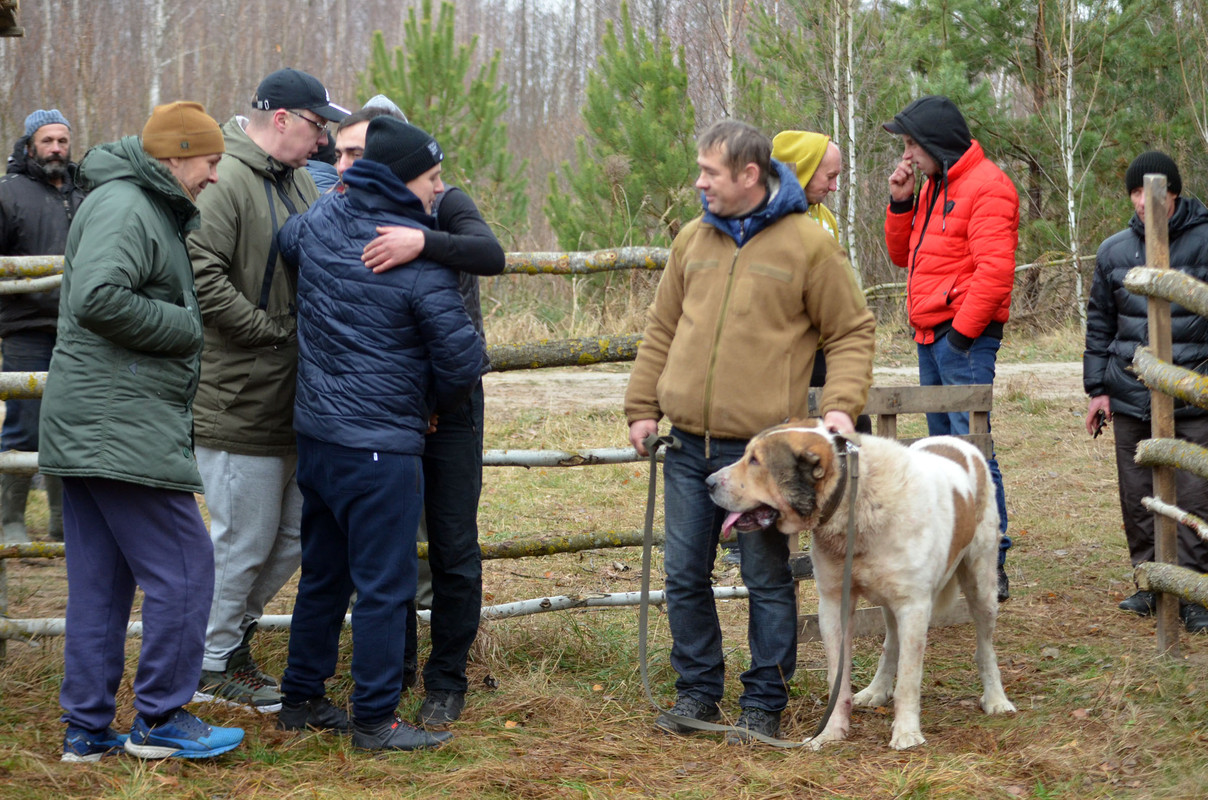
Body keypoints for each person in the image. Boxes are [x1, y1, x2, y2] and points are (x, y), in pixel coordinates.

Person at [624, 119, 875, 743]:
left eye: (710, 172)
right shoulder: (691, 239)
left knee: (765, 579)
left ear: (749, 176)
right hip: (684, 445)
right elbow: (661, 328)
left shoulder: (808, 246)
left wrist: (841, 404)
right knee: (684, 574)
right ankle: (696, 694)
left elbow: (850, 330)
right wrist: (641, 407)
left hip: (763, 455)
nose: (699, 182)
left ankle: (764, 699)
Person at [41, 101, 243, 761]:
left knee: (100, 587)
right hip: (116, 427)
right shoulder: (127, 205)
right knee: (187, 569)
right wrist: (188, 327)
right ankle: (160, 718)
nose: (214, 177)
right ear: (177, 155)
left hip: (100, 425)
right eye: (210, 162)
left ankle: (88, 729)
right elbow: (97, 296)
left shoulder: (135, 204)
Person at [277, 115, 486, 750]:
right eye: (432, 177)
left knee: (323, 575)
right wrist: (430, 405)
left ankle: (301, 698)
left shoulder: (317, 224)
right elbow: (463, 361)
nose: (438, 189)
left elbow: (287, 242)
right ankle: (373, 719)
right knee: (384, 587)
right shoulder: (414, 257)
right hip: (380, 447)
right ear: (401, 180)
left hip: (316, 437)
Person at [339, 96, 506, 727]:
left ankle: (448, 677)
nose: (439, 183)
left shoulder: (448, 204)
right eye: (346, 153)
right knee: (390, 546)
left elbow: (490, 256)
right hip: (394, 406)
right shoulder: (355, 211)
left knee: (454, 545)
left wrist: (422, 242)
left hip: (455, 404)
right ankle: (395, 666)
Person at [188, 68, 348, 712]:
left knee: (289, 536)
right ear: (281, 118)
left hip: (294, 398)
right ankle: (208, 660)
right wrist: (268, 332)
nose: (323, 142)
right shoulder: (223, 180)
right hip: (238, 395)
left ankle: (230, 643)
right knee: (244, 538)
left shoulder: (300, 180)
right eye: (317, 126)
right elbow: (200, 273)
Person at [883, 95, 1018, 602]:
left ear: (937, 143)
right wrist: (901, 201)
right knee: (942, 451)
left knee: (973, 447)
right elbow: (904, 257)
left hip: (962, 338)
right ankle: (956, 556)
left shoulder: (988, 187)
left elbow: (995, 272)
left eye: (912, 145)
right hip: (929, 335)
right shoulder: (933, 186)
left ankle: (992, 559)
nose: (908, 155)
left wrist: (960, 336)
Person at [1084, 150, 1208, 634]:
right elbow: (1100, 323)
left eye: (1151, 190)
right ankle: (1150, 582)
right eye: (1134, 192)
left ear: (1174, 191)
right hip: (1131, 392)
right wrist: (1097, 389)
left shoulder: (1204, 240)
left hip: (1194, 393)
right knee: (1137, 493)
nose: (1143, 201)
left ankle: (1193, 588)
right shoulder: (1114, 251)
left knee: (1195, 493)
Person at [0, 108, 85, 544]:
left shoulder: (85, 190)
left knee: (69, 424)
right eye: (48, 140)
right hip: (26, 327)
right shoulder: (8, 193)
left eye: (62, 141)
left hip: (80, 328)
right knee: (24, 423)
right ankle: (11, 518)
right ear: (30, 143)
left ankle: (60, 520)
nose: (56, 148)